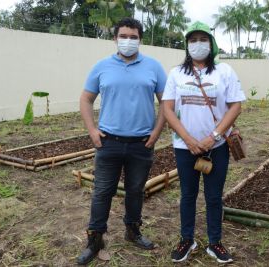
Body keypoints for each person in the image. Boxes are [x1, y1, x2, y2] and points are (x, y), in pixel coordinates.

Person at [77, 17, 167, 265]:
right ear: (115, 38)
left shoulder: (154, 67)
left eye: (133, 36)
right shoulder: (101, 66)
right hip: (109, 143)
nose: (128, 41)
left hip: (142, 143)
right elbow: (86, 99)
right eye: (123, 36)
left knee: (135, 191)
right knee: (102, 192)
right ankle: (95, 240)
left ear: (140, 39)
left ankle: (132, 231)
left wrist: (157, 131)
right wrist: (93, 131)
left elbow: (166, 102)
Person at [162, 21, 246, 264]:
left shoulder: (225, 71)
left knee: (213, 196)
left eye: (202, 39)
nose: (197, 45)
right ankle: (187, 239)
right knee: (187, 194)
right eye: (192, 40)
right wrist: (188, 139)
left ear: (211, 44)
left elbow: (236, 106)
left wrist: (214, 137)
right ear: (187, 45)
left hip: (216, 148)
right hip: (184, 147)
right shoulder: (177, 73)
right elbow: (167, 108)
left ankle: (215, 242)